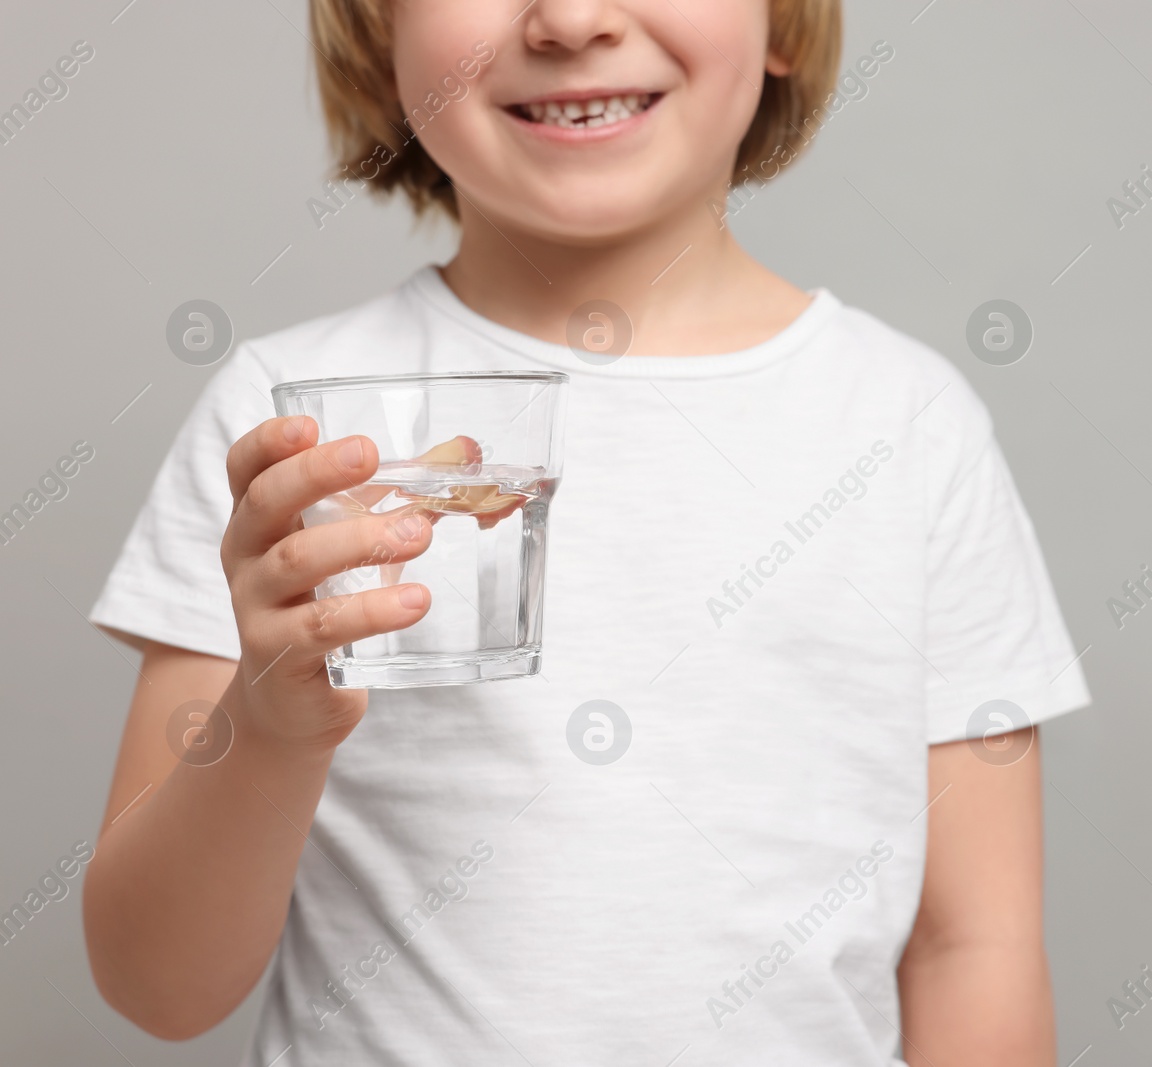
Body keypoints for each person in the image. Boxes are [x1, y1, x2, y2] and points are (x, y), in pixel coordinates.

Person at [83, 1, 1092, 1063]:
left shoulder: (909, 424)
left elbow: (972, 944)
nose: (569, 18)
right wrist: (269, 724)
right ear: (379, 34)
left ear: (782, 22)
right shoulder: (290, 427)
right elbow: (159, 983)